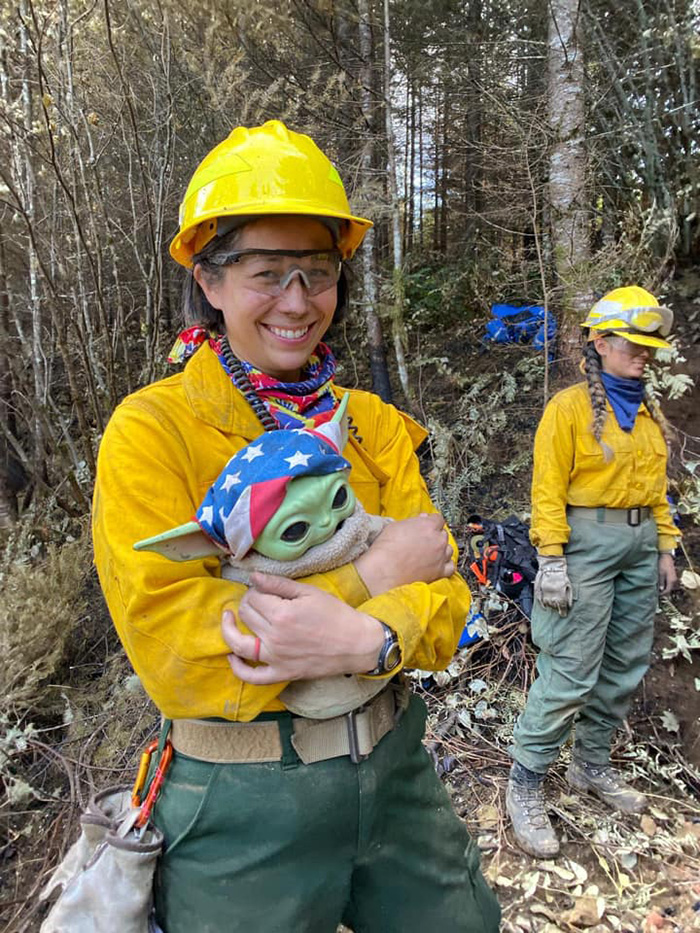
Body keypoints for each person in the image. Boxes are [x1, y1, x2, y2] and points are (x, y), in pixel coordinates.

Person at [92, 120, 500, 933]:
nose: (298, 301)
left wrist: (368, 644)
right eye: (267, 273)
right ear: (208, 280)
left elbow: (450, 603)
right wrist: (371, 581)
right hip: (240, 801)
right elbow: (177, 650)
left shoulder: (375, 426)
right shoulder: (154, 431)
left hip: (394, 769)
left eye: (317, 273)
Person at [506, 286, 680, 859]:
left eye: (650, 343)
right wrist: (551, 558)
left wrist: (665, 548)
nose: (646, 352)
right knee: (572, 667)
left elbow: (659, 494)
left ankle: (590, 766)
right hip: (585, 544)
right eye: (634, 342)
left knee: (625, 663)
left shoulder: (651, 416)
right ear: (600, 342)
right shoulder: (569, 408)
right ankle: (525, 781)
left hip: (638, 544)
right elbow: (548, 489)